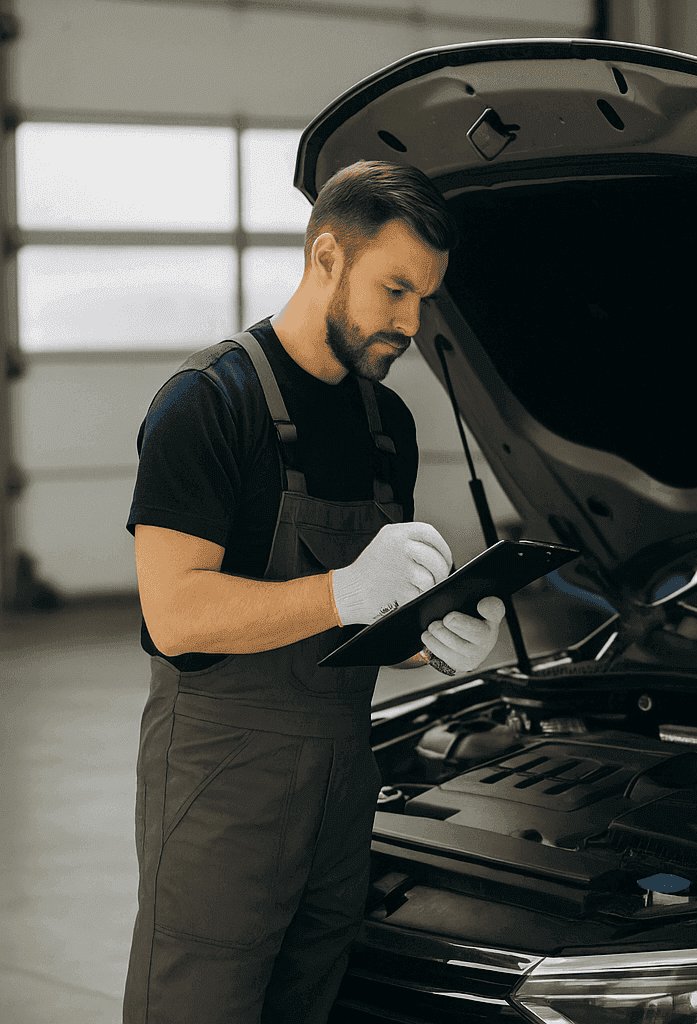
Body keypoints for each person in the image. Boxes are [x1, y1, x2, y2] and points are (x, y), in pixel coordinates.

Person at [123, 159, 504, 1023]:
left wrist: (429, 637)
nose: (410, 323)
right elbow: (175, 614)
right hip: (223, 786)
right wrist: (341, 590)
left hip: (342, 783)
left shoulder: (386, 427)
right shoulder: (208, 405)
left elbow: (364, 621)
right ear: (326, 257)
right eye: (395, 289)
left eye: (425, 299)